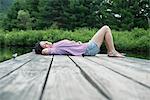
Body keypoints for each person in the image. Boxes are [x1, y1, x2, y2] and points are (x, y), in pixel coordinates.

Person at [35, 25, 125, 57]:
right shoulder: (54, 49)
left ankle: (111, 51)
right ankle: (112, 51)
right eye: (45, 44)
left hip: (86, 47)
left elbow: (70, 47)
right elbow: (44, 51)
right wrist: (41, 50)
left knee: (105, 29)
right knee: (106, 28)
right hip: (88, 49)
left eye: (45, 41)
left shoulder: (55, 45)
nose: (47, 43)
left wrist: (77, 44)